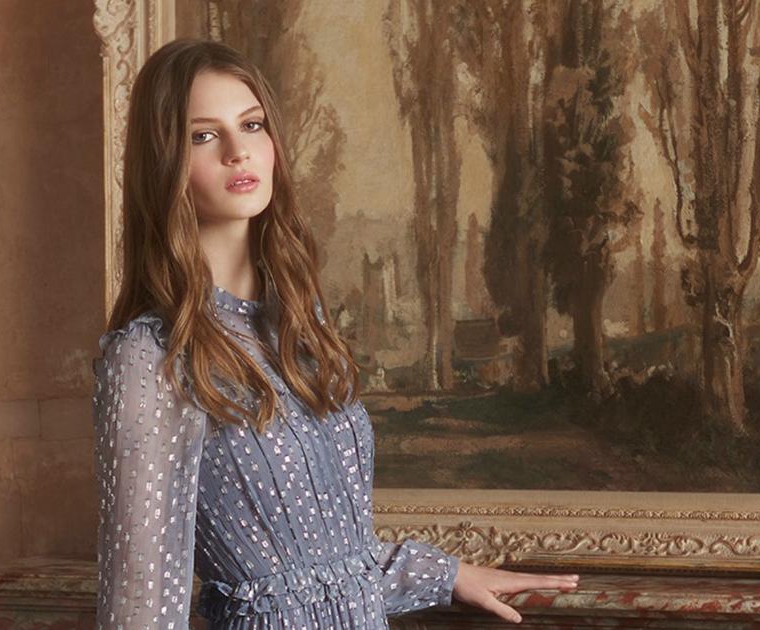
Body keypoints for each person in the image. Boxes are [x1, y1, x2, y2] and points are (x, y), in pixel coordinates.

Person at [91, 38, 578, 629]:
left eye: (252, 125)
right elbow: (140, 601)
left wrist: (446, 574)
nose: (238, 152)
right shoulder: (149, 356)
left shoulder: (299, 322)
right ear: (163, 161)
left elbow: (328, 567)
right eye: (203, 136)